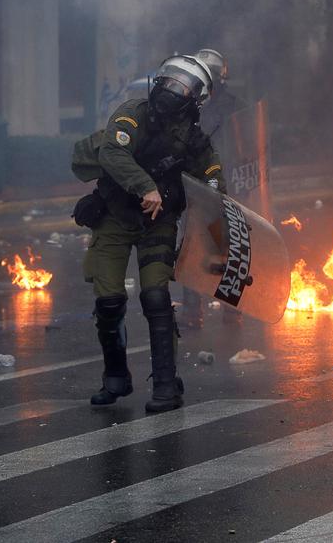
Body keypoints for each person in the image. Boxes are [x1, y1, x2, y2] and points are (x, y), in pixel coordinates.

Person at [74, 54, 222, 413]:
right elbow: (113, 152)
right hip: (114, 215)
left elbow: (213, 176)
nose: (173, 89)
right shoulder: (133, 113)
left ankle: (166, 384)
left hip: (159, 223)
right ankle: (115, 378)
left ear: (196, 97)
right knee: (108, 301)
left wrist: (214, 195)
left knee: (156, 297)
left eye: (183, 86)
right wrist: (145, 186)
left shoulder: (194, 140)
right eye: (171, 80)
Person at [181, 47, 246, 329]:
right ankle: (193, 310)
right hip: (194, 187)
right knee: (192, 246)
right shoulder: (187, 105)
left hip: (223, 186)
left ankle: (230, 309)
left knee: (226, 247)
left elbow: (244, 144)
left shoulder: (233, 105)